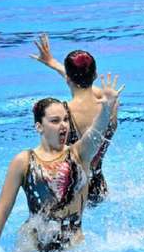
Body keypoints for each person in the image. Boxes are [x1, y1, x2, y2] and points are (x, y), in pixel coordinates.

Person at [0, 74, 123, 252]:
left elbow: (95, 135)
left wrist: (105, 109)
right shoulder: (23, 161)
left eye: (65, 119)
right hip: (33, 239)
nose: (63, 125)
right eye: (55, 121)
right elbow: (2, 212)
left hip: (71, 240)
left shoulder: (79, 154)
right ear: (39, 127)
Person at [30, 34, 116, 204]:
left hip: (69, 192)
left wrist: (57, 66)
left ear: (68, 78)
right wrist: (54, 64)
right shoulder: (111, 105)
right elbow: (93, 90)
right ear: (95, 75)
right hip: (99, 188)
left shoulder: (61, 114)